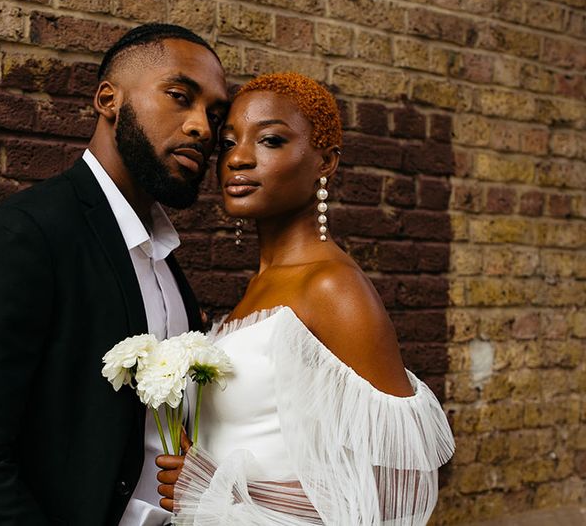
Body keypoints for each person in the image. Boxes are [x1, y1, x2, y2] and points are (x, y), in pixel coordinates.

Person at [0, 23, 230, 525]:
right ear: (109, 100)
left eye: (215, 115)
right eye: (179, 97)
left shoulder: (164, 256)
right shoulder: (26, 234)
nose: (202, 127)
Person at [156, 72, 454, 525]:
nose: (238, 158)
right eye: (229, 143)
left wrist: (207, 484)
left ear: (325, 162)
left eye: (271, 141)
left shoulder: (331, 288)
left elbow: (398, 488)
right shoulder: (259, 287)